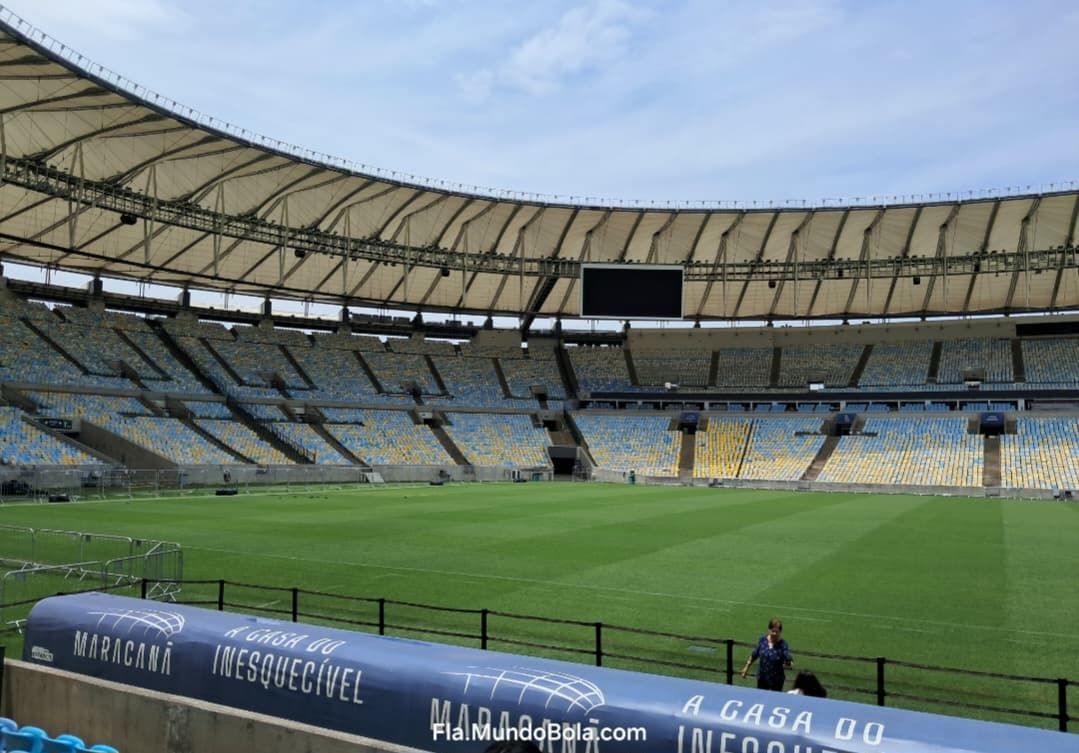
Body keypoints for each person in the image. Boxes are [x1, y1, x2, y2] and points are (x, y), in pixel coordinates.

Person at [740, 617, 792, 691]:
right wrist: (746, 668)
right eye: (773, 631)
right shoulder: (762, 640)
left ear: (780, 632)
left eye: (777, 631)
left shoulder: (783, 645)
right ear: (769, 630)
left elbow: (789, 660)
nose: (774, 634)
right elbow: (754, 655)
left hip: (776, 680)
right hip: (762, 678)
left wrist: (787, 664)